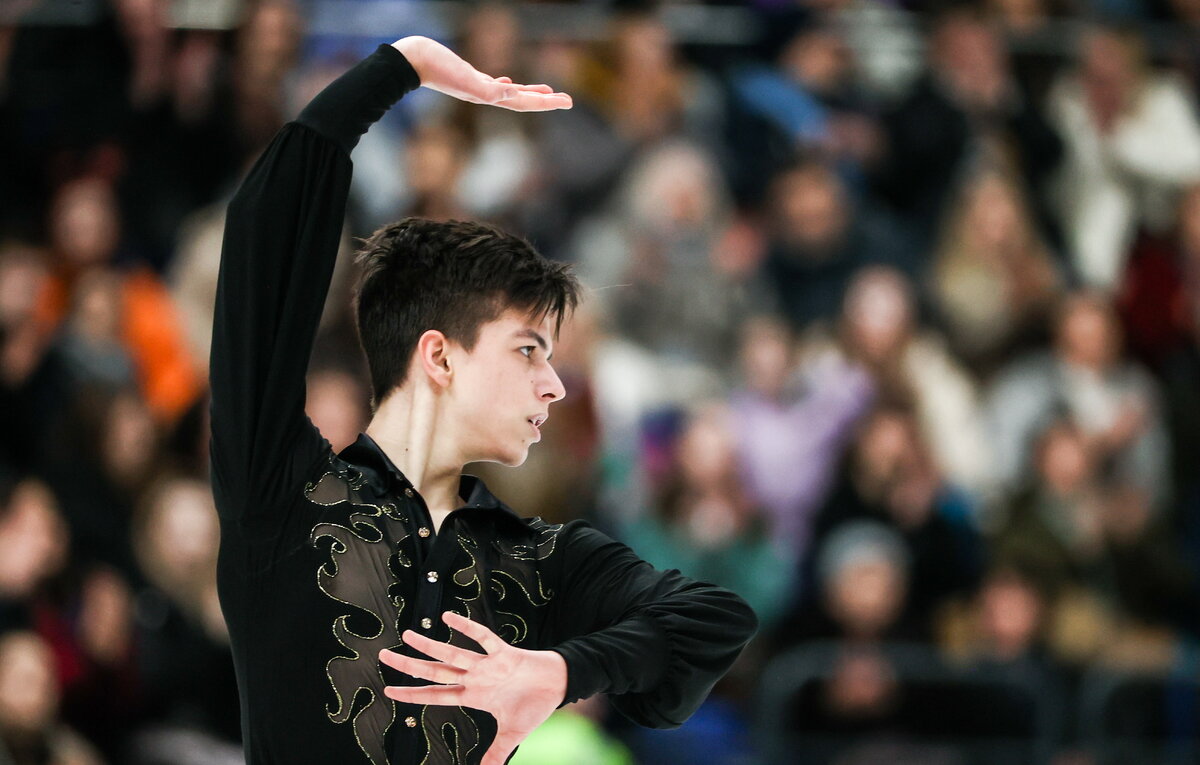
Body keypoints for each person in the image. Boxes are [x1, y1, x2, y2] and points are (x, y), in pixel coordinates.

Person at [209, 35, 757, 765]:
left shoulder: (537, 556)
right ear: (438, 355)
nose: (555, 384)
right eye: (528, 349)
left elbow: (715, 619)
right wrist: (399, 67)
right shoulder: (283, 493)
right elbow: (263, 243)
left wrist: (559, 670)